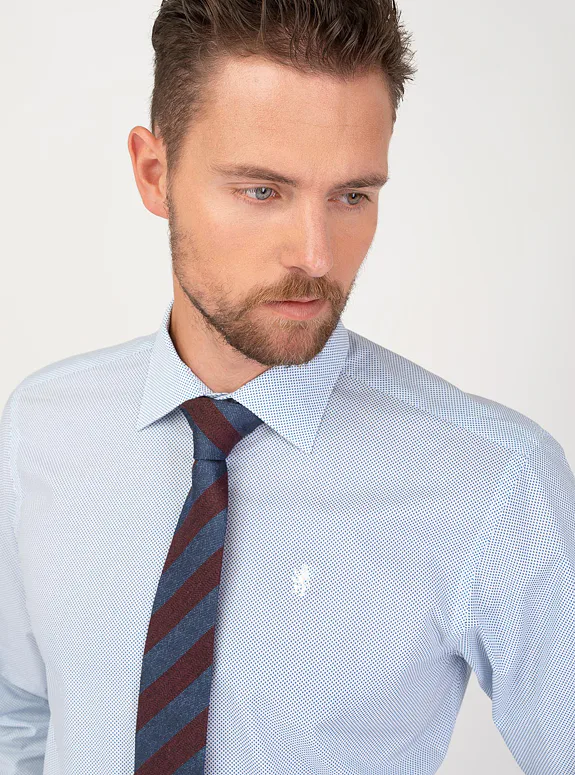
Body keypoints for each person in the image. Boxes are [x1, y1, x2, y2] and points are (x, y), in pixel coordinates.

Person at [1, 1, 574, 774]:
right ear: (154, 173)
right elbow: (19, 716)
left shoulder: (495, 484)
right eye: (262, 191)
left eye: (351, 195)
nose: (315, 255)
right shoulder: (42, 427)